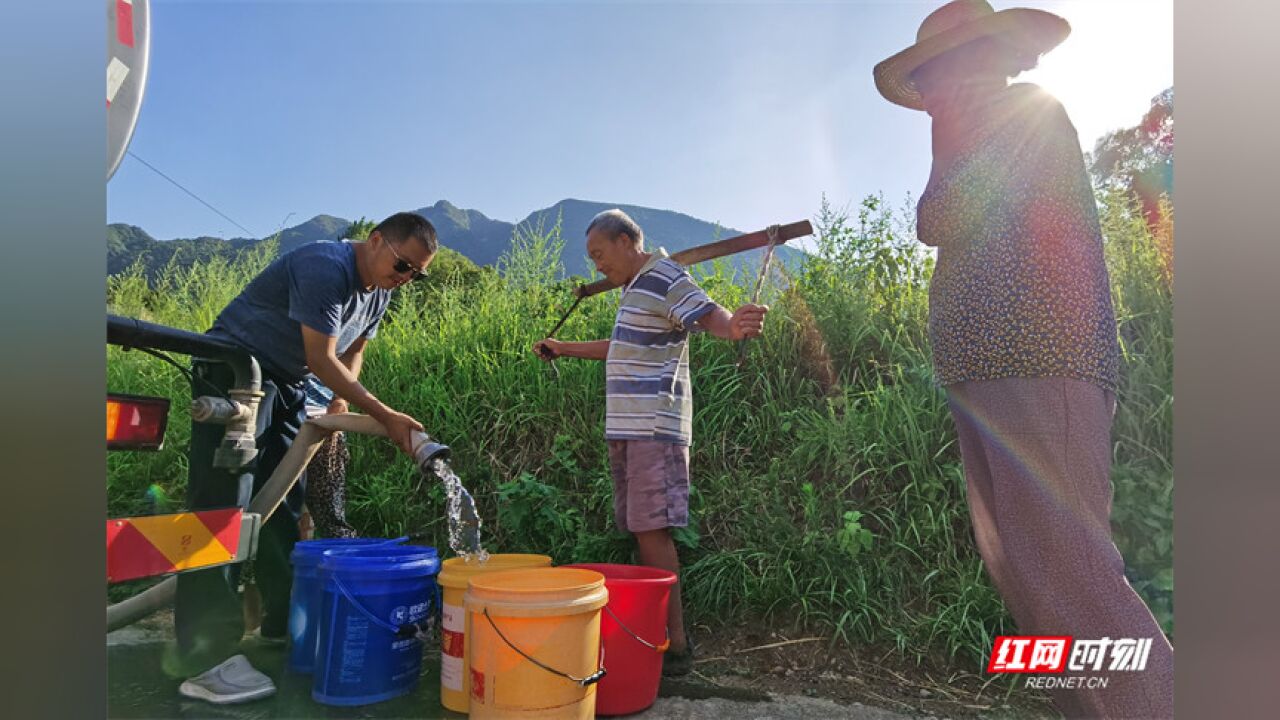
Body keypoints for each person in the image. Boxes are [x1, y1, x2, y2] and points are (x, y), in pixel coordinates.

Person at [873, 2, 1172, 717]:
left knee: (1071, 571)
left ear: (988, 60)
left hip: (1040, 358)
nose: (933, 93)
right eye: (930, 80)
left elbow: (938, 218)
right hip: (988, 371)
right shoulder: (980, 129)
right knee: (1030, 572)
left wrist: (948, 140)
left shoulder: (1023, 115)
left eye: (942, 73)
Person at [173, 212, 436, 704]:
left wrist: (338, 402)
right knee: (220, 507)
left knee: (285, 505)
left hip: (290, 383)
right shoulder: (325, 265)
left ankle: (279, 624)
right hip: (235, 368)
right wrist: (383, 412)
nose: (404, 278)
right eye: (402, 264)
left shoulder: (380, 290)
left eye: (414, 275)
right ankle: (203, 658)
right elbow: (321, 356)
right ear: (375, 240)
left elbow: (352, 350)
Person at [532, 209, 768, 676]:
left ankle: (675, 647)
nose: (597, 265)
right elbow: (620, 347)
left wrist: (732, 327)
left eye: (599, 254)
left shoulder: (662, 274)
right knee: (642, 530)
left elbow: (705, 312)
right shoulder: (633, 291)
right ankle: (653, 638)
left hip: (653, 428)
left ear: (625, 241)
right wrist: (564, 348)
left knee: (652, 532)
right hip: (628, 428)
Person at [301, 373, 358, 540]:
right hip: (277, 407)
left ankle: (345, 559)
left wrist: (341, 398)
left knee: (330, 514)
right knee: (275, 505)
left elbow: (352, 354)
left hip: (325, 416)